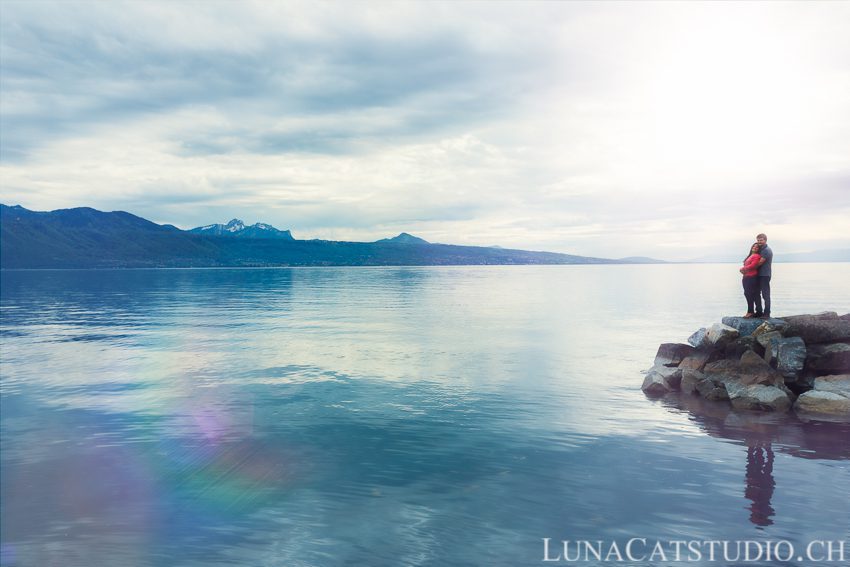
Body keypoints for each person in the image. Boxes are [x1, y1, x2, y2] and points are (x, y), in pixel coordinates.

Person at [739, 242, 762, 318]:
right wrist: (744, 271)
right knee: (747, 294)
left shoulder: (757, 256)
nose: (755, 247)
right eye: (754, 246)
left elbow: (753, 265)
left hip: (752, 277)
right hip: (746, 277)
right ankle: (752, 311)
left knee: (750, 294)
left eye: (757, 247)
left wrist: (743, 269)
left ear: (758, 249)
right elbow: (748, 265)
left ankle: (751, 311)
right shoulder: (750, 256)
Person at [754, 233, 773, 318]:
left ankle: (767, 313)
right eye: (758, 240)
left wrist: (748, 268)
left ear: (765, 240)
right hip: (759, 275)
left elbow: (760, 262)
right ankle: (758, 312)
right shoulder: (760, 249)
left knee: (766, 295)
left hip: (765, 275)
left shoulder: (766, 250)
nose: (759, 242)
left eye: (761, 240)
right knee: (756, 293)